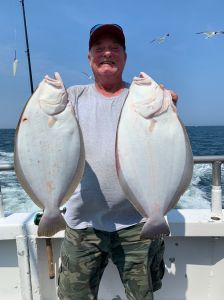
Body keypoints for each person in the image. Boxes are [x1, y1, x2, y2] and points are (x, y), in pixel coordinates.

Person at [53, 24, 178, 300]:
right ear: (89, 58)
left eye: (114, 48)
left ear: (124, 55)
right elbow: (46, 130)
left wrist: (168, 107)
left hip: (138, 223)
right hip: (82, 223)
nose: (106, 53)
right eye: (99, 49)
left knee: (142, 296)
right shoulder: (72, 97)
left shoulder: (141, 97)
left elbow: (167, 146)